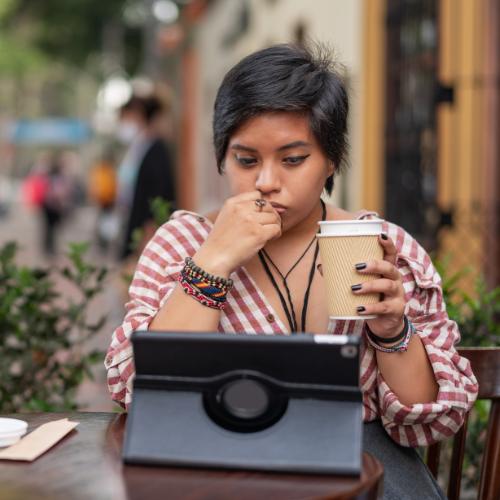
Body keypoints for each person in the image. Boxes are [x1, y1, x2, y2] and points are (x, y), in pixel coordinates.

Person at [105, 44, 477, 499]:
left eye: (293, 158)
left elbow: (427, 419)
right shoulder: (183, 245)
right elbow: (141, 394)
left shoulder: (381, 247)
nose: (266, 181)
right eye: (245, 160)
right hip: (219, 467)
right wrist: (213, 263)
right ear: (222, 158)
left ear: (332, 160)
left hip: (367, 466)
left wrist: (391, 329)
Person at [116, 94, 176, 260]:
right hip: (133, 225)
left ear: (139, 114)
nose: (123, 123)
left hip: (146, 232)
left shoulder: (156, 148)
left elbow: (160, 191)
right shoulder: (139, 145)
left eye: (126, 117)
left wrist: (151, 229)